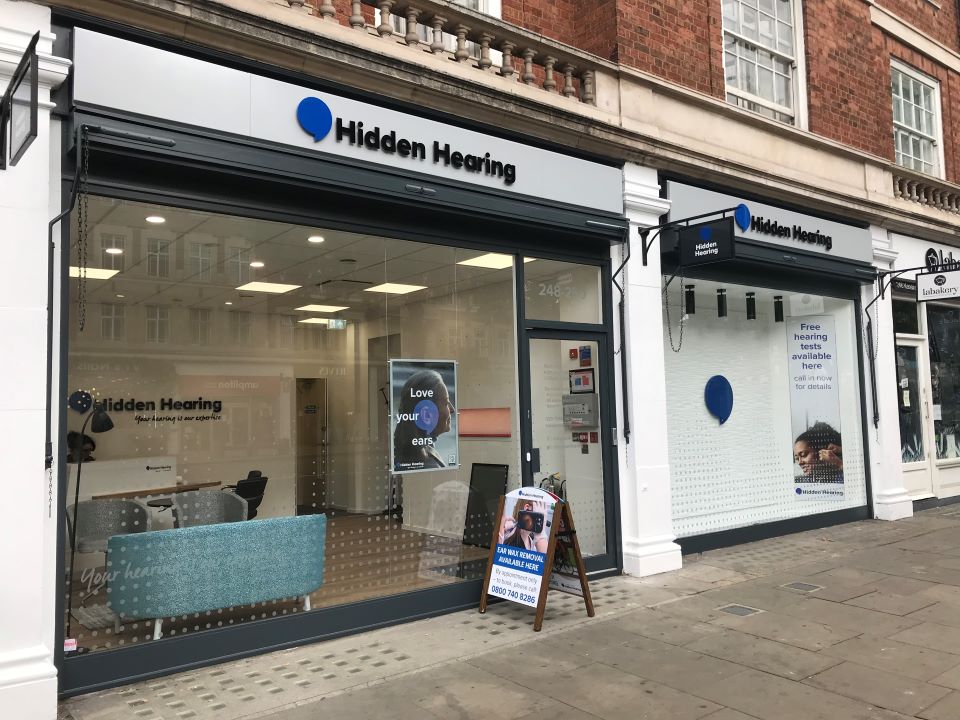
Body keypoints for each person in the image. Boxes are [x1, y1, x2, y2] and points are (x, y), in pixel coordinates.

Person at [393, 369, 455, 471]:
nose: (452, 409)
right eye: (446, 403)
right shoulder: (428, 466)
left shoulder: (402, 456)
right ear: (426, 414)